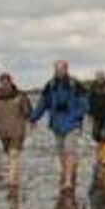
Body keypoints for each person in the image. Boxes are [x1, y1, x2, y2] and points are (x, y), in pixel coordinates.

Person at [29, 60, 89, 192]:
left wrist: (78, 115)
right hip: (56, 124)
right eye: (57, 69)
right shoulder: (50, 85)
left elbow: (84, 103)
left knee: (69, 150)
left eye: (61, 69)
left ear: (67, 69)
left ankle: (67, 180)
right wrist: (33, 118)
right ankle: (67, 171)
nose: (59, 72)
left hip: (72, 123)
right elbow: (42, 104)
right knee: (61, 152)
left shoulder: (75, 84)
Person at [0, 72, 32, 188]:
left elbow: (28, 112)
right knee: (9, 154)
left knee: (13, 154)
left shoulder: (20, 96)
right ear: (0, 83)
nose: (5, 85)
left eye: (7, 82)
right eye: (2, 82)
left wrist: (31, 122)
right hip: (3, 132)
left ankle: (12, 181)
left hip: (17, 130)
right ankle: (15, 176)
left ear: (11, 82)